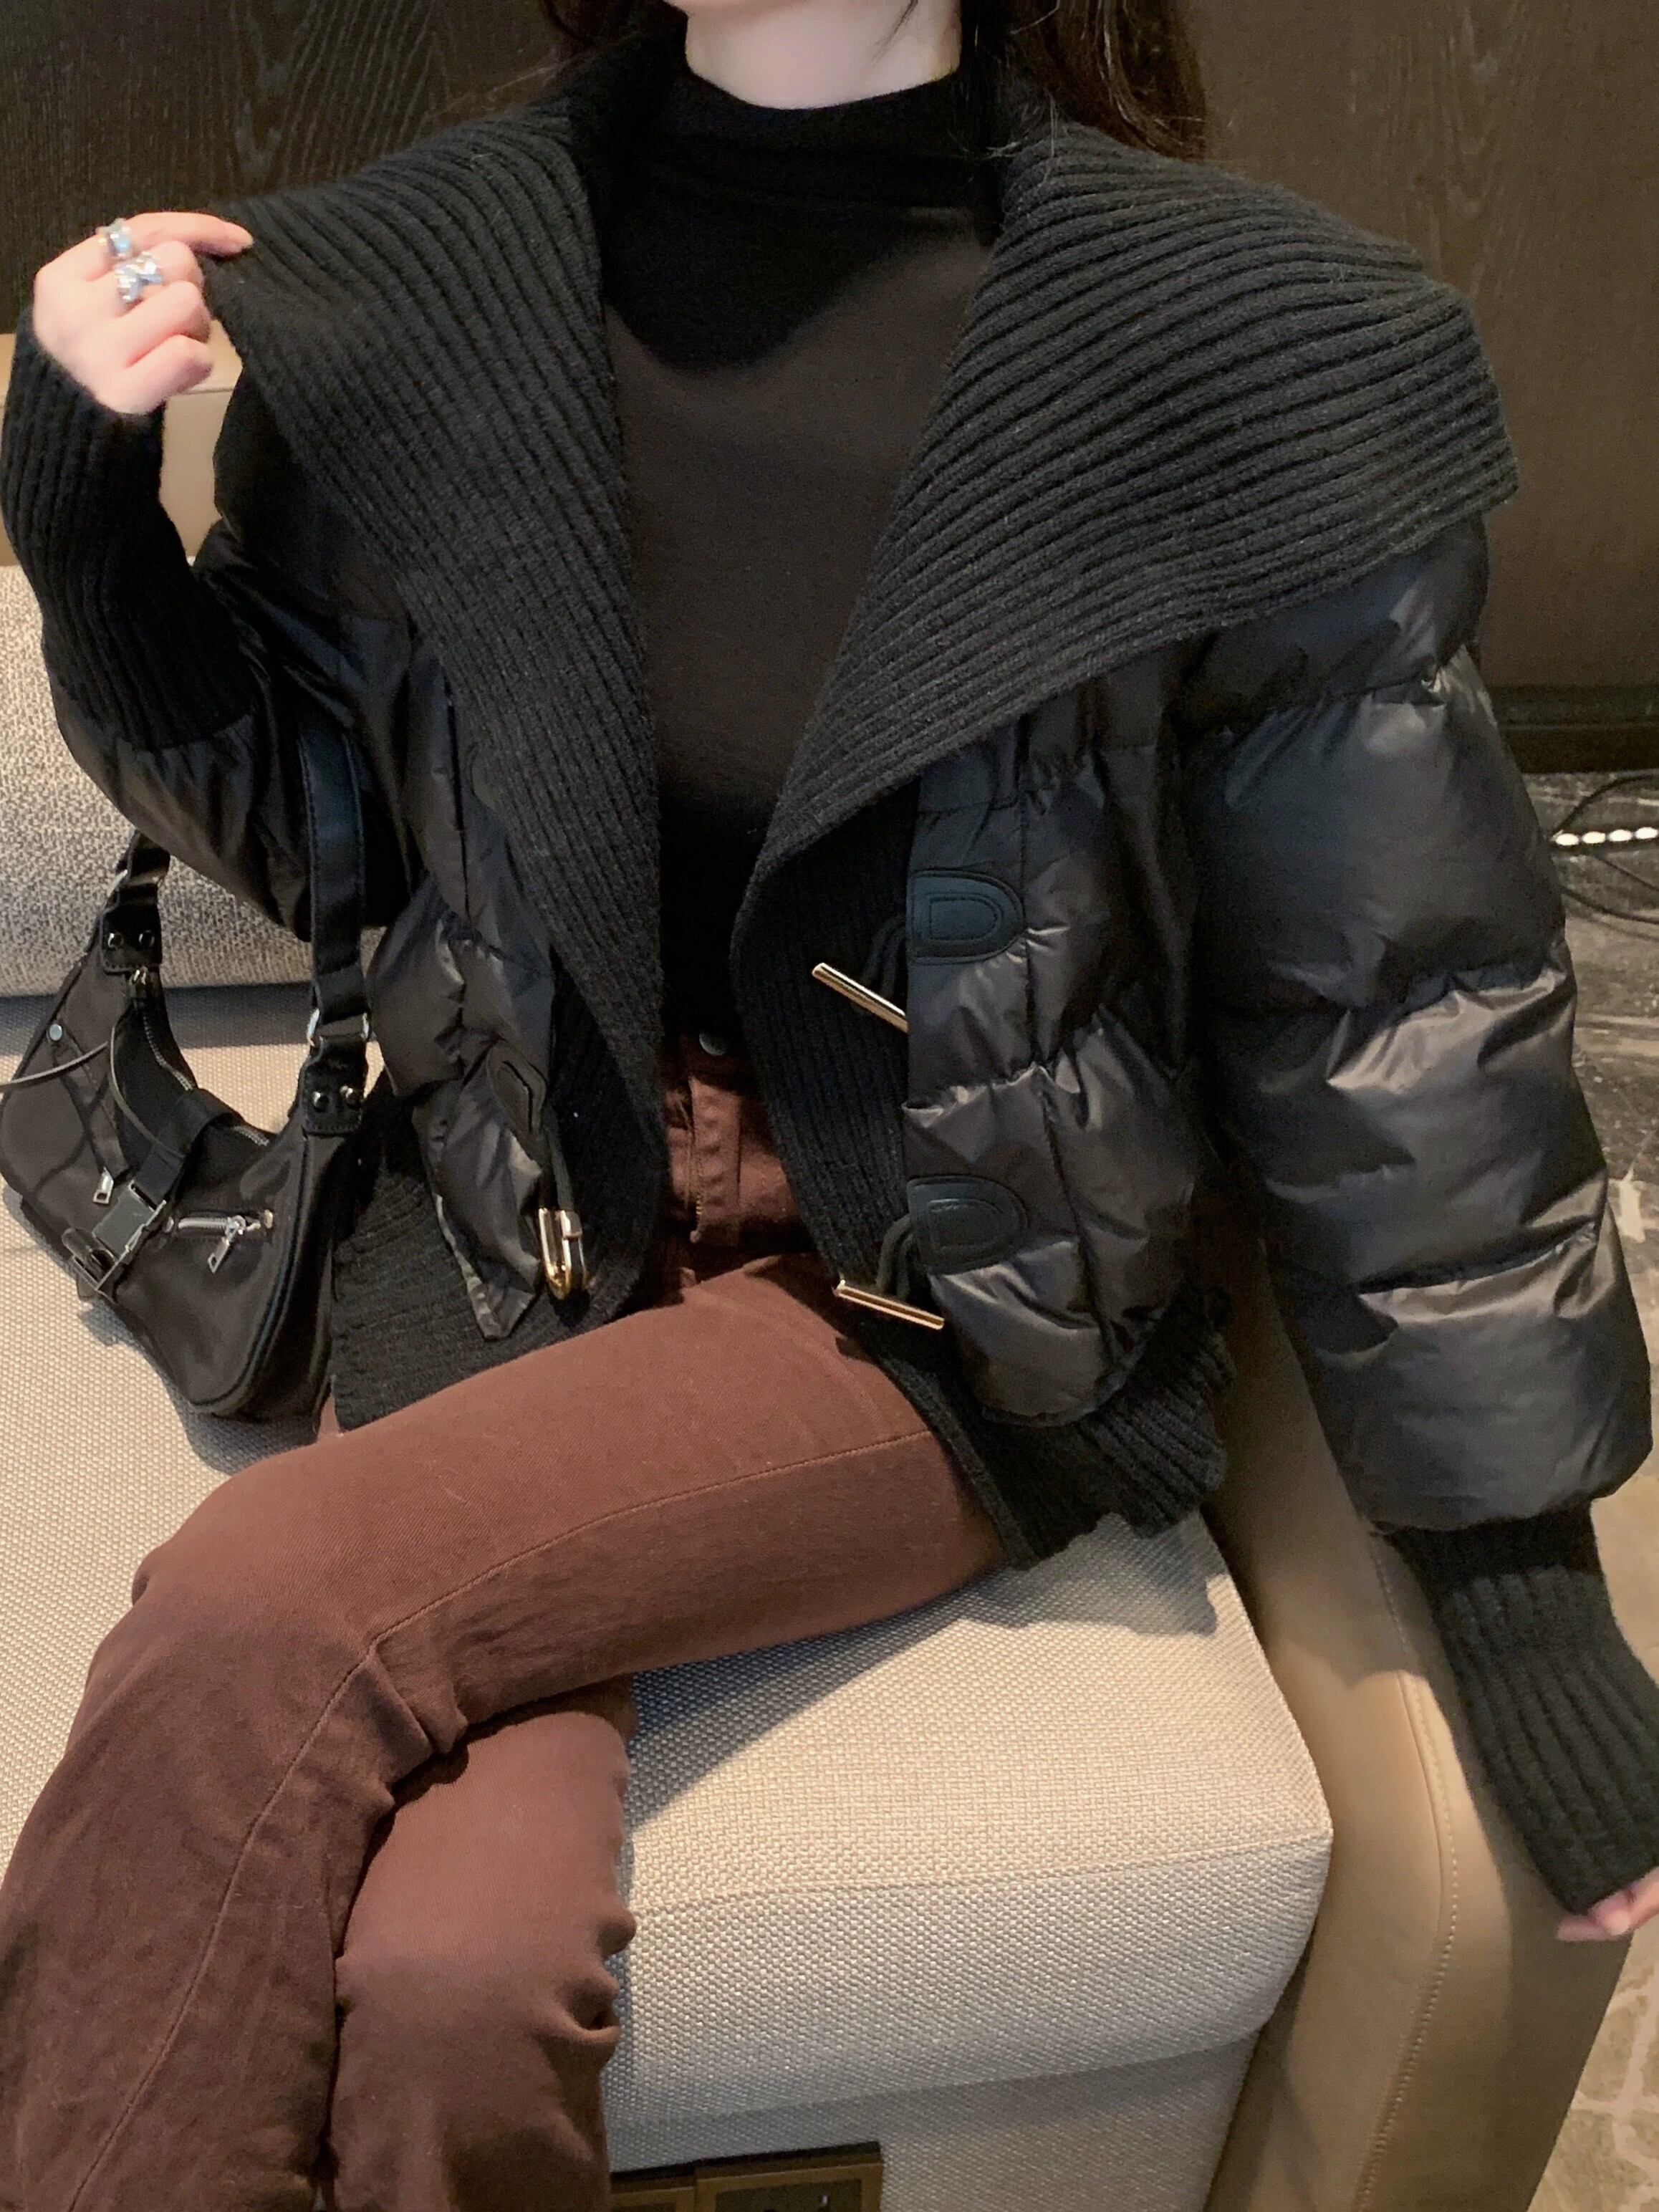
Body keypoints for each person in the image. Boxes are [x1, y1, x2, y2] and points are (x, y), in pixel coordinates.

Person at [1, 0, 1656, 2203]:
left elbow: (1388, 1006)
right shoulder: (421, 282)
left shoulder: (1251, 352)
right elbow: (320, 845)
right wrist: (83, 508)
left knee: (256, 1609)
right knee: (456, 1981)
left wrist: (1519, 1593)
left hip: (935, 1285)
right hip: (519, 1216)